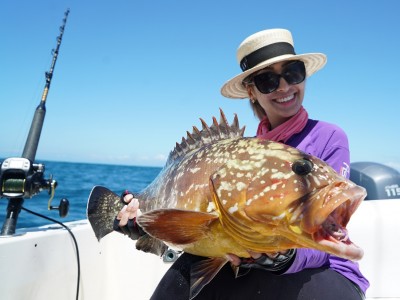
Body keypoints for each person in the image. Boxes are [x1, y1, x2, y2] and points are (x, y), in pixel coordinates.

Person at [115, 28, 369, 299]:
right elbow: (201, 235)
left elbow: (321, 239)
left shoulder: (329, 136)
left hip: (324, 272)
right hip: (248, 263)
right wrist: (145, 226)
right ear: (251, 91)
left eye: (293, 73)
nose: (283, 87)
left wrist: (280, 258)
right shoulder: (242, 152)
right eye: (267, 80)